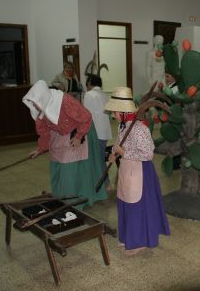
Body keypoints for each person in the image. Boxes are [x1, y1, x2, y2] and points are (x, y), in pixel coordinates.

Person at [105, 87, 170, 256]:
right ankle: (128, 237)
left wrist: (122, 152)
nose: (113, 115)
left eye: (115, 111)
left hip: (140, 171)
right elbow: (120, 143)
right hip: (127, 169)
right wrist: (114, 154)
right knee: (125, 203)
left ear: (123, 111)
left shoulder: (139, 128)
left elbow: (148, 154)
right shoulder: (123, 125)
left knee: (137, 206)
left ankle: (139, 241)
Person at [23, 80, 107, 209]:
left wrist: (79, 137)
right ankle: (60, 198)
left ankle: (74, 202)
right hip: (60, 133)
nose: (34, 106)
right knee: (57, 164)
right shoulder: (39, 110)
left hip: (79, 129)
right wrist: (40, 149)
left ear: (44, 98)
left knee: (70, 168)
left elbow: (86, 117)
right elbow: (44, 133)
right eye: (33, 103)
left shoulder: (65, 101)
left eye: (36, 103)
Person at [83, 74, 112, 187]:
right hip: (105, 131)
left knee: (98, 159)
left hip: (95, 131)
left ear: (90, 83)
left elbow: (86, 115)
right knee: (99, 158)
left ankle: (106, 183)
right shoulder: (105, 94)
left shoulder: (89, 94)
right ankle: (102, 183)